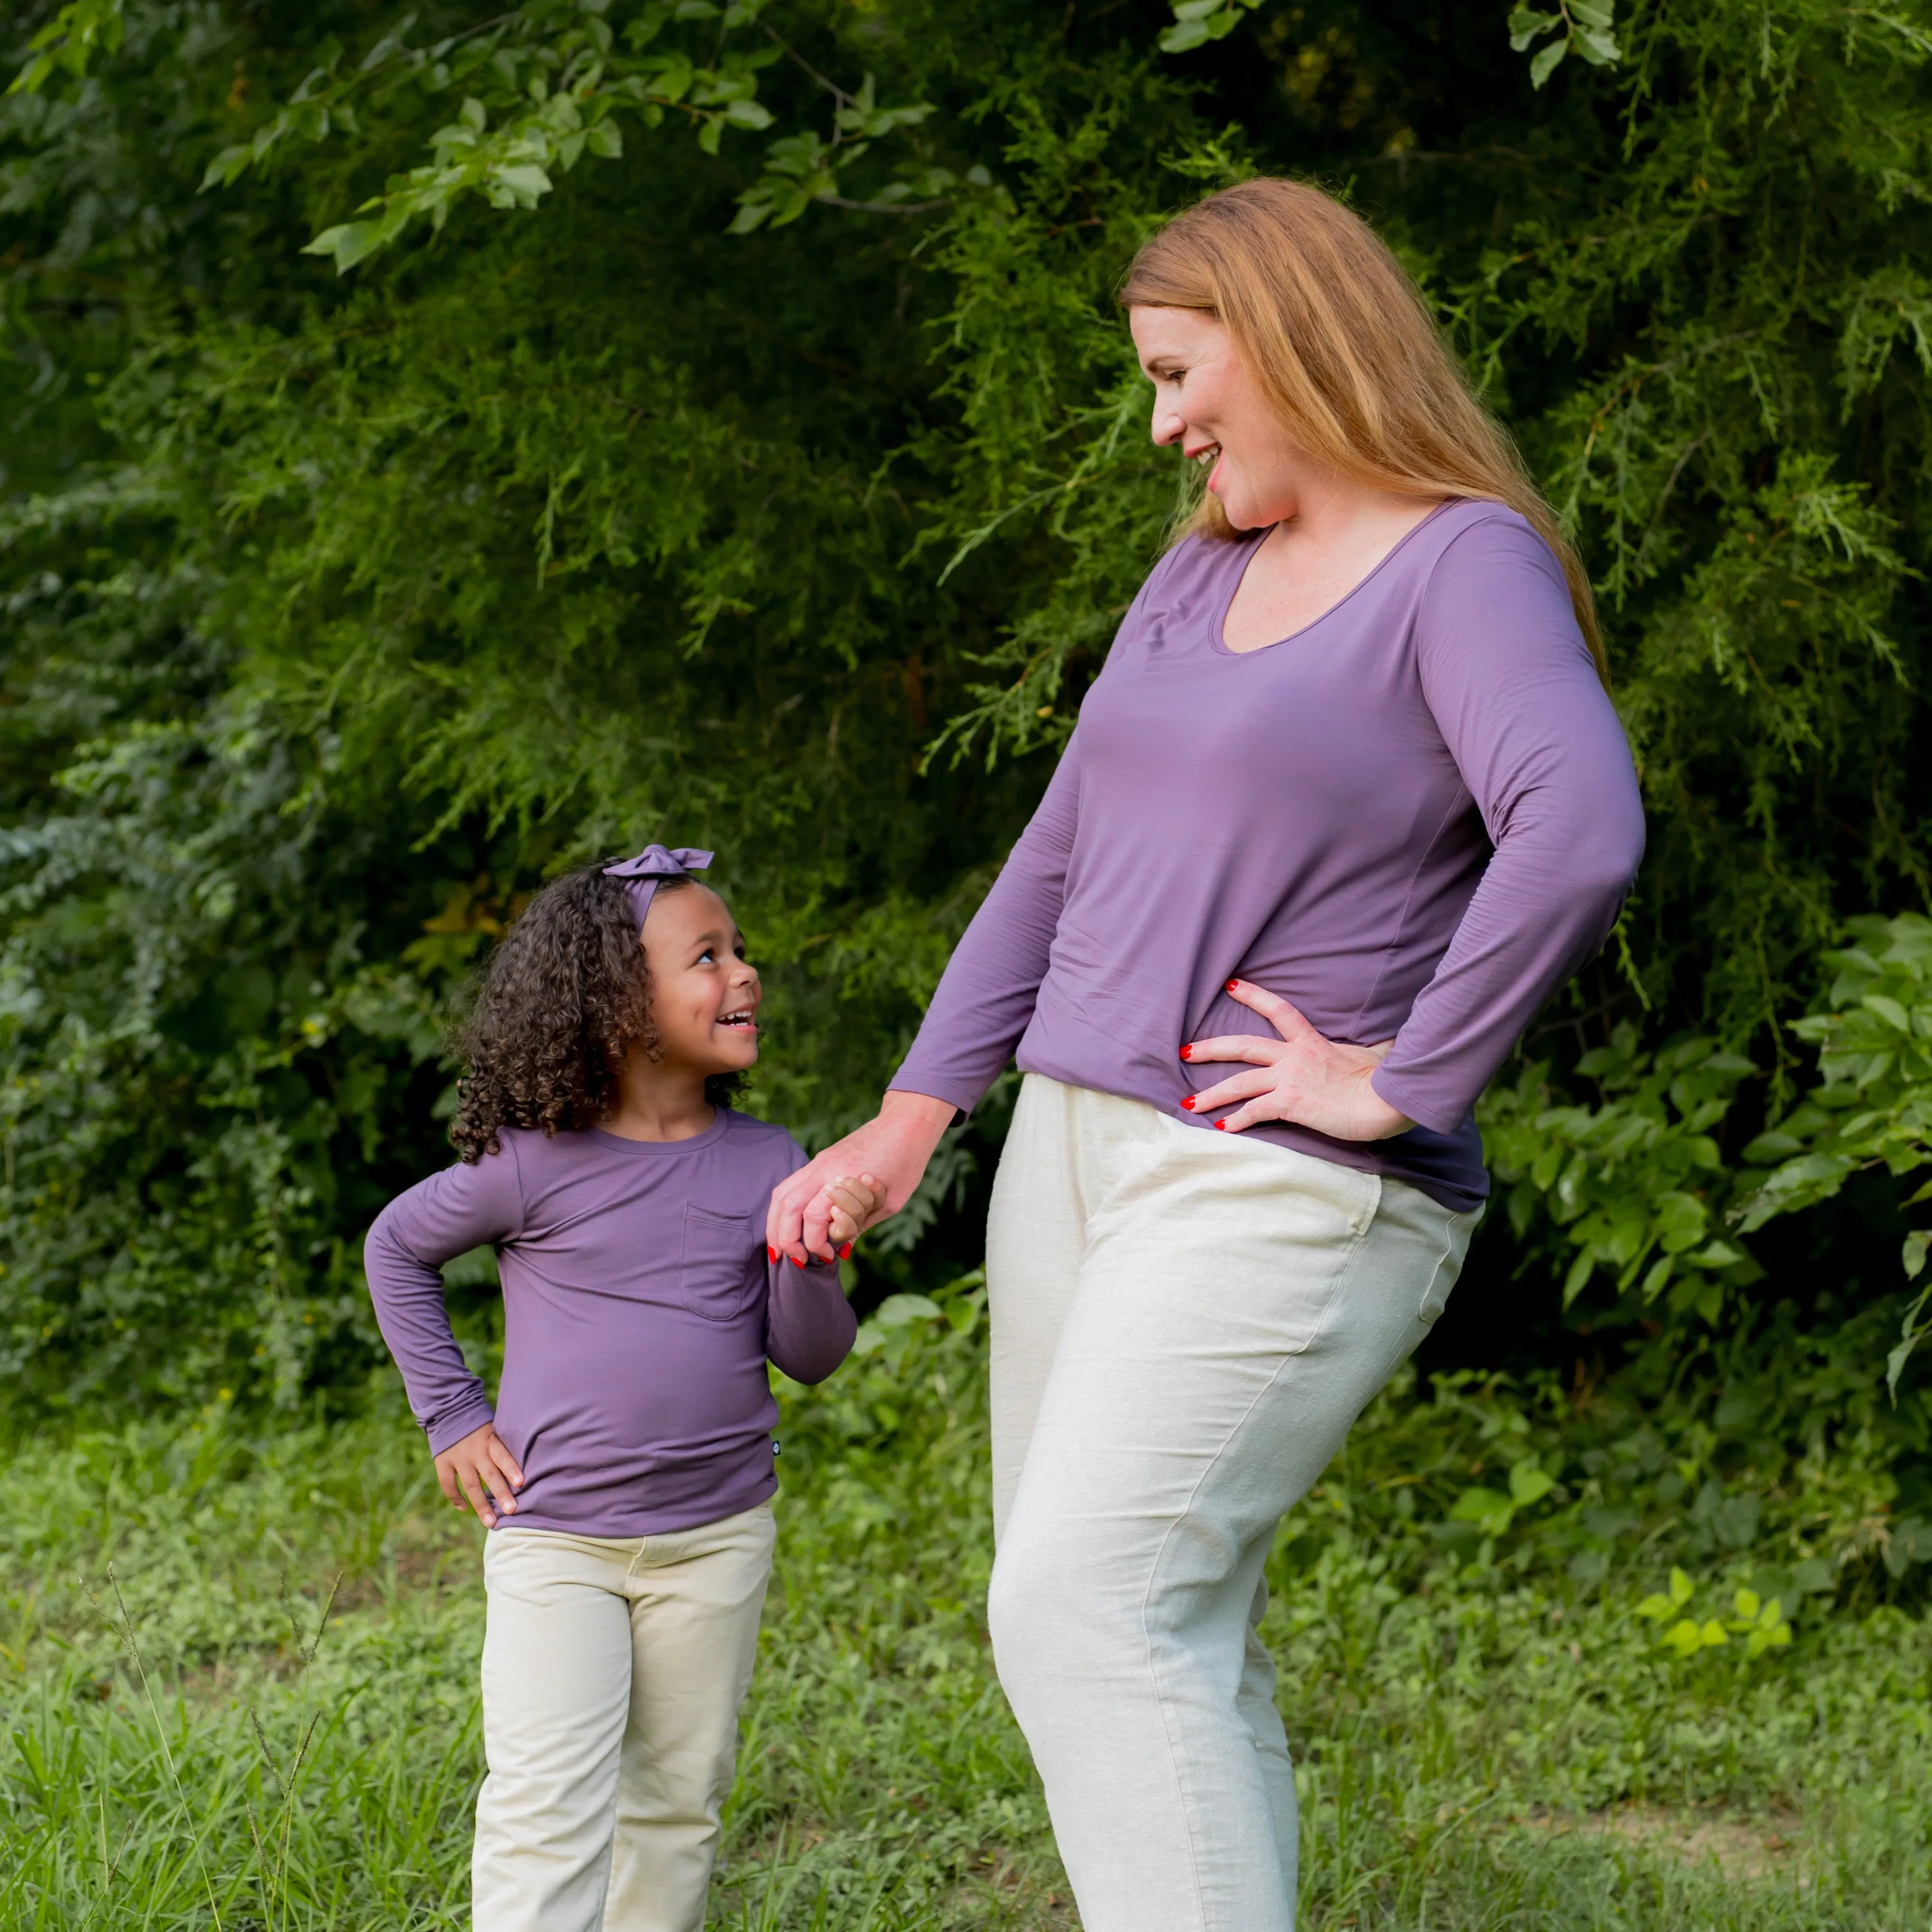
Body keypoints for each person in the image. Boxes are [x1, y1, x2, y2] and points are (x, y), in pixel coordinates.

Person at [768, 178, 1647, 1932]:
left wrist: (1397, 1080)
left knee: (1086, 1609)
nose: (1165, 426)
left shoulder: (1457, 562)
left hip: (1273, 1176)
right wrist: (907, 1122)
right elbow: (1057, 850)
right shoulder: (1203, 568)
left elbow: (1583, 824)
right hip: (1071, 1156)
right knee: (1151, 1628)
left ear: (1294, 334)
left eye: (1180, 376)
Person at [365, 845, 878, 1932]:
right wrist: (453, 1412)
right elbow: (396, 1248)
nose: (743, 973)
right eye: (707, 955)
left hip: (719, 1536)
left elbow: (811, 1354)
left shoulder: (769, 1158)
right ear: (615, 1004)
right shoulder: (532, 1160)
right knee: (547, 1808)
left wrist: (810, 1250)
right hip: (557, 1540)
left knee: (676, 1808)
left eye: (741, 951)